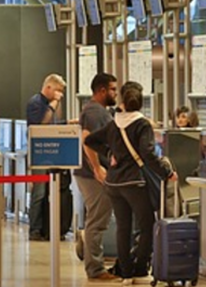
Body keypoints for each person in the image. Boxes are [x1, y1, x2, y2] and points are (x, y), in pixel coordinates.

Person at [86, 81, 174, 286]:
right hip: (135, 183)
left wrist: (110, 155)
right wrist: (167, 171)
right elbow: (148, 153)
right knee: (147, 225)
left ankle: (126, 273)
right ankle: (141, 269)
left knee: (123, 229)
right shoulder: (142, 124)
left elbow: (90, 140)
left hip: (114, 183)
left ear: (123, 101)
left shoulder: (114, 122)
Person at [74, 73, 119, 281]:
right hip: (92, 174)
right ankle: (95, 268)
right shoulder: (94, 112)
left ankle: (88, 247)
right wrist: (97, 167)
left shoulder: (98, 111)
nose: (115, 93)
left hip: (91, 172)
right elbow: (87, 140)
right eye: (112, 89)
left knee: (97, 217)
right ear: (101, 90)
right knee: (98, 220)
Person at [26, 73, 72, 241]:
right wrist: (53, 105)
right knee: (38, 192)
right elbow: (40, 126)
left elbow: (52, 124)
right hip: (39, 153)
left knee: (48, 192)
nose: (60, 94)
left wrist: (68, 123)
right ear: (48, 88)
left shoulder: (47, 105)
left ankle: (49, 228)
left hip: (50, 153)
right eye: (58, 90)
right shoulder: (36, 103)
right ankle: (35, 229)